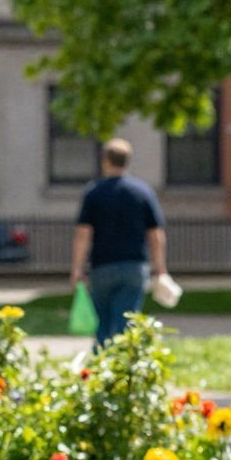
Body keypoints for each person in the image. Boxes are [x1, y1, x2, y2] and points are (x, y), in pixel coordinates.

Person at [70, 138, 169, 347]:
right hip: (134, 267)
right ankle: (123, 369)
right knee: (126, 323)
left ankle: (102, 369)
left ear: (105, 160)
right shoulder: (142, 192)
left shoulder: (94, 192)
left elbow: (83, 234)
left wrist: (77, 268)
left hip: (102, 266)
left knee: (103, 326)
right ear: (127, 161)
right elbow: (155, 234)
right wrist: (160, 268)